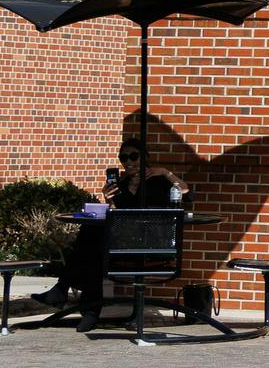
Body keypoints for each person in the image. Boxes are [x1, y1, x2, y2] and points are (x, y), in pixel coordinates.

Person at [29, 140, 189, 331]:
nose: (128, 161)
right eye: (123, 157)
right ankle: (83, 307)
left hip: (151, 245)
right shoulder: (119, 184)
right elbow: (118, 216)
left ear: (145, 158)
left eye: (133, 156)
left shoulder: (159, 181)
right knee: (93, 242)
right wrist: (109, 200)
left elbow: (186, 192)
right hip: (123, 243)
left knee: (93, 242)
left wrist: (165, 172)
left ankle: (74, 299)